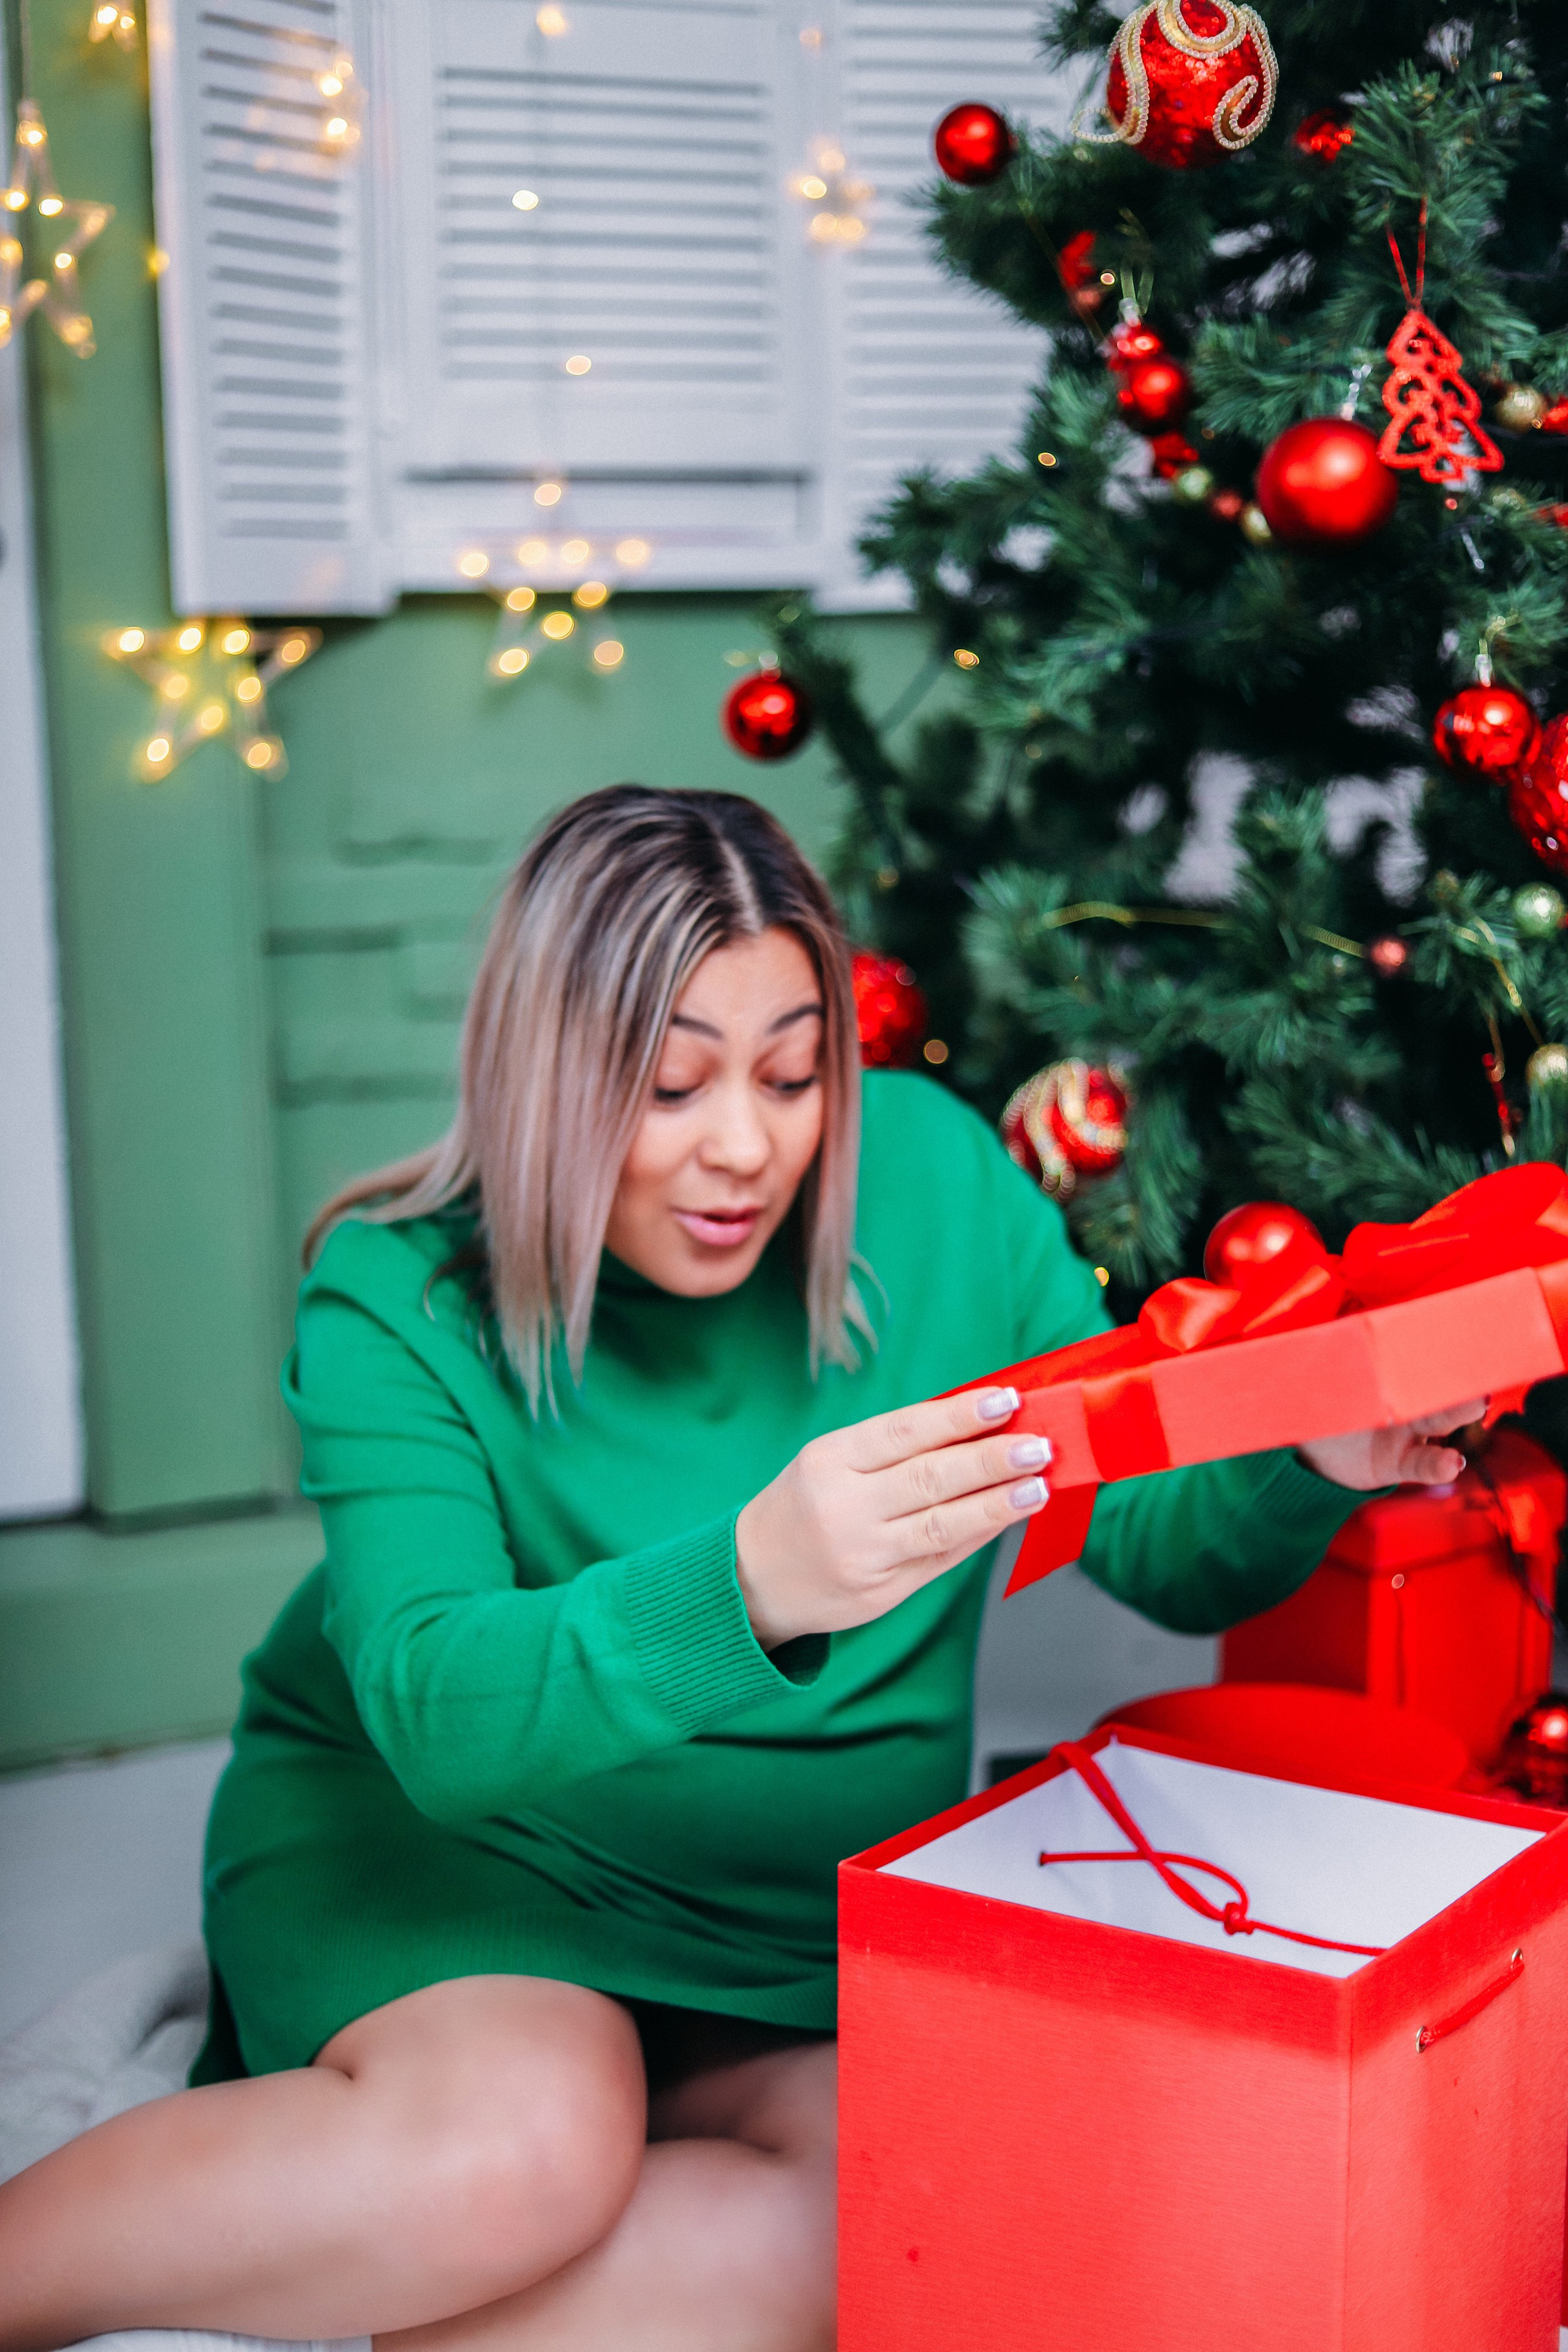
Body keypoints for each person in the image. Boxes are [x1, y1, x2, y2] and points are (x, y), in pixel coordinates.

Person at [0, 786, 1483, 2352]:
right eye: (668, 1086)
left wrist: (1308, 1452)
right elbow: (434, 1711)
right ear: (546, 1078)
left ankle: (382, 2270)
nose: (744, 1150)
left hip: (783, 1917)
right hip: (456, 1852)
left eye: (791, 1075)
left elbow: (1151, 1541)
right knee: (526, 2145)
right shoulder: (394, 1298)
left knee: (914, 2221)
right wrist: (753, 1583)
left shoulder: (937, 1185)